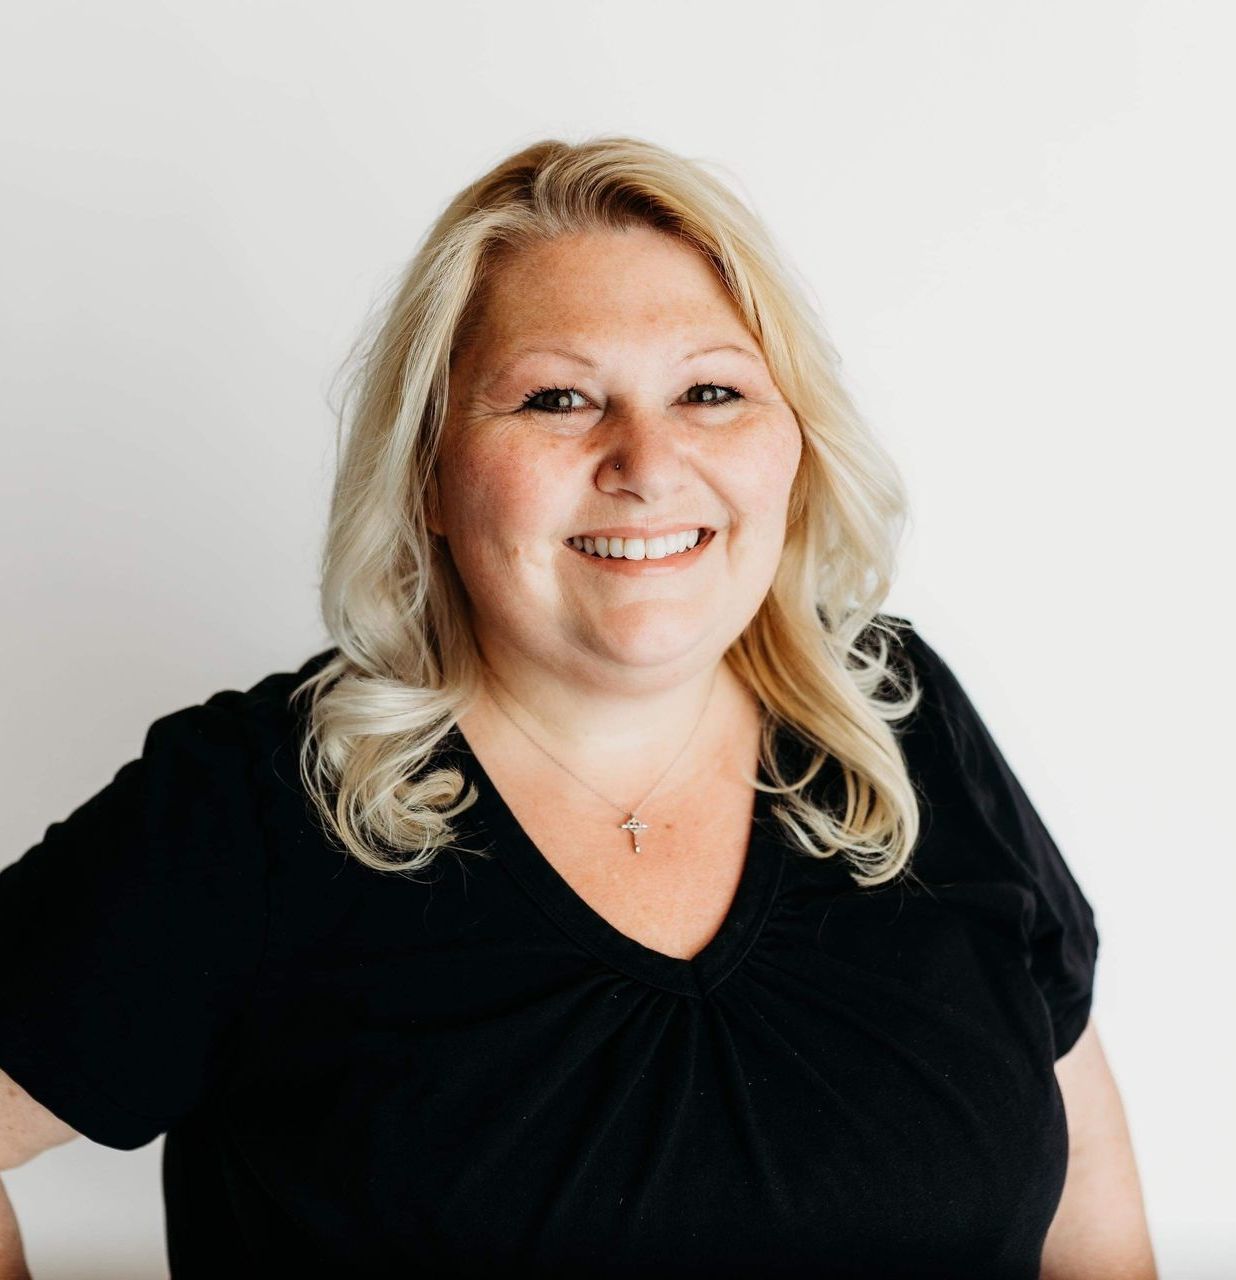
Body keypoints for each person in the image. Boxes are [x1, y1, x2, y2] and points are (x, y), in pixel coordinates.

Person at [0, 136, 1157, 1278]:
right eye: (556, 398)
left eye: (709, 390)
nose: (645, 462)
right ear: (429, 474)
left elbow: (1084, 1181)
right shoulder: (247, 807)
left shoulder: (896, 721)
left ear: (792, 447)